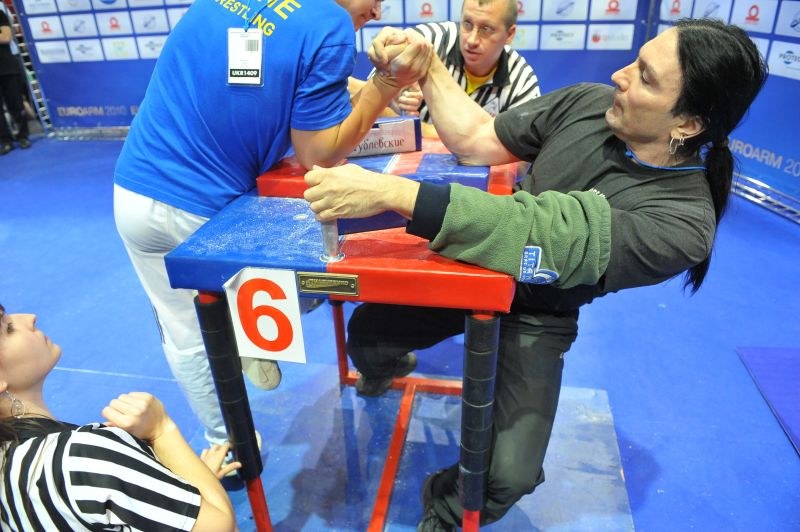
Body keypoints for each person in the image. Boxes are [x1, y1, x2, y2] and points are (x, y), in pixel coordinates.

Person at [304, 18, 767, 530]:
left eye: (646, 78)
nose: (620, 74)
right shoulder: (589, 105)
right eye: (635, 61)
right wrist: (428, 65)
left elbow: (544, 234)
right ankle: (380, 362)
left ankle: (447, 503)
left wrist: (395, 195)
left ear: (689, 124)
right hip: (473, 272)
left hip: (538, 310)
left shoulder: (681, 224)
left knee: (508, 475)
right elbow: (480, 137)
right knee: (367, 335)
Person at [113, 0, 433, 450]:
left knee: (184, 333)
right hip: (212, 212)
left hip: (133, 191)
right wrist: (383, 84)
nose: (378, 11)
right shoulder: (328, 22)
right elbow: (317, 154)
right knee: (322, 275)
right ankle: (246, 327)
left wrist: (369, 91)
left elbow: (277, 67)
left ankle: (229, 445)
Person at [0, 303, 238, 530]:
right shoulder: (82, 456)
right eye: (8, 328)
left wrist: (177, 487)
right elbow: (220, 526)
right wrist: (162, 429)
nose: (29, 317)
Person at [351, 0, 540, 137]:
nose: (472, 40)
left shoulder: (522, 83)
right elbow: (364, 102)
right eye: (467, 24)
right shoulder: (427, 40)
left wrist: (424, 131)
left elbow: (519, 161)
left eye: (486, 29)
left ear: (510, 34)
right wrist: (390, 95)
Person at [0, 7, 30, 155]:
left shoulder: (0, 14)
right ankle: (6, 141)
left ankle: (23, 136)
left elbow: (6, 37)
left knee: (15, 104)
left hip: (6, 67)